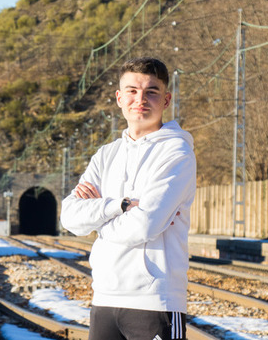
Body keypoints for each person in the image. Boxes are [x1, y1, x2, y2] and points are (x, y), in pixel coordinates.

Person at [60, 57, 196, 340]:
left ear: (166, 99)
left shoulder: (177, 153)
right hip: (105, 299)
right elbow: (70, 216)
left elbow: (144, 225)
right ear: (119, 98)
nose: (141, 99)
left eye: (151, 91)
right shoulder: (106, 155)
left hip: (155, 301)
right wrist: (116, 206)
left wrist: (98, 221)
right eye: (132, 91)